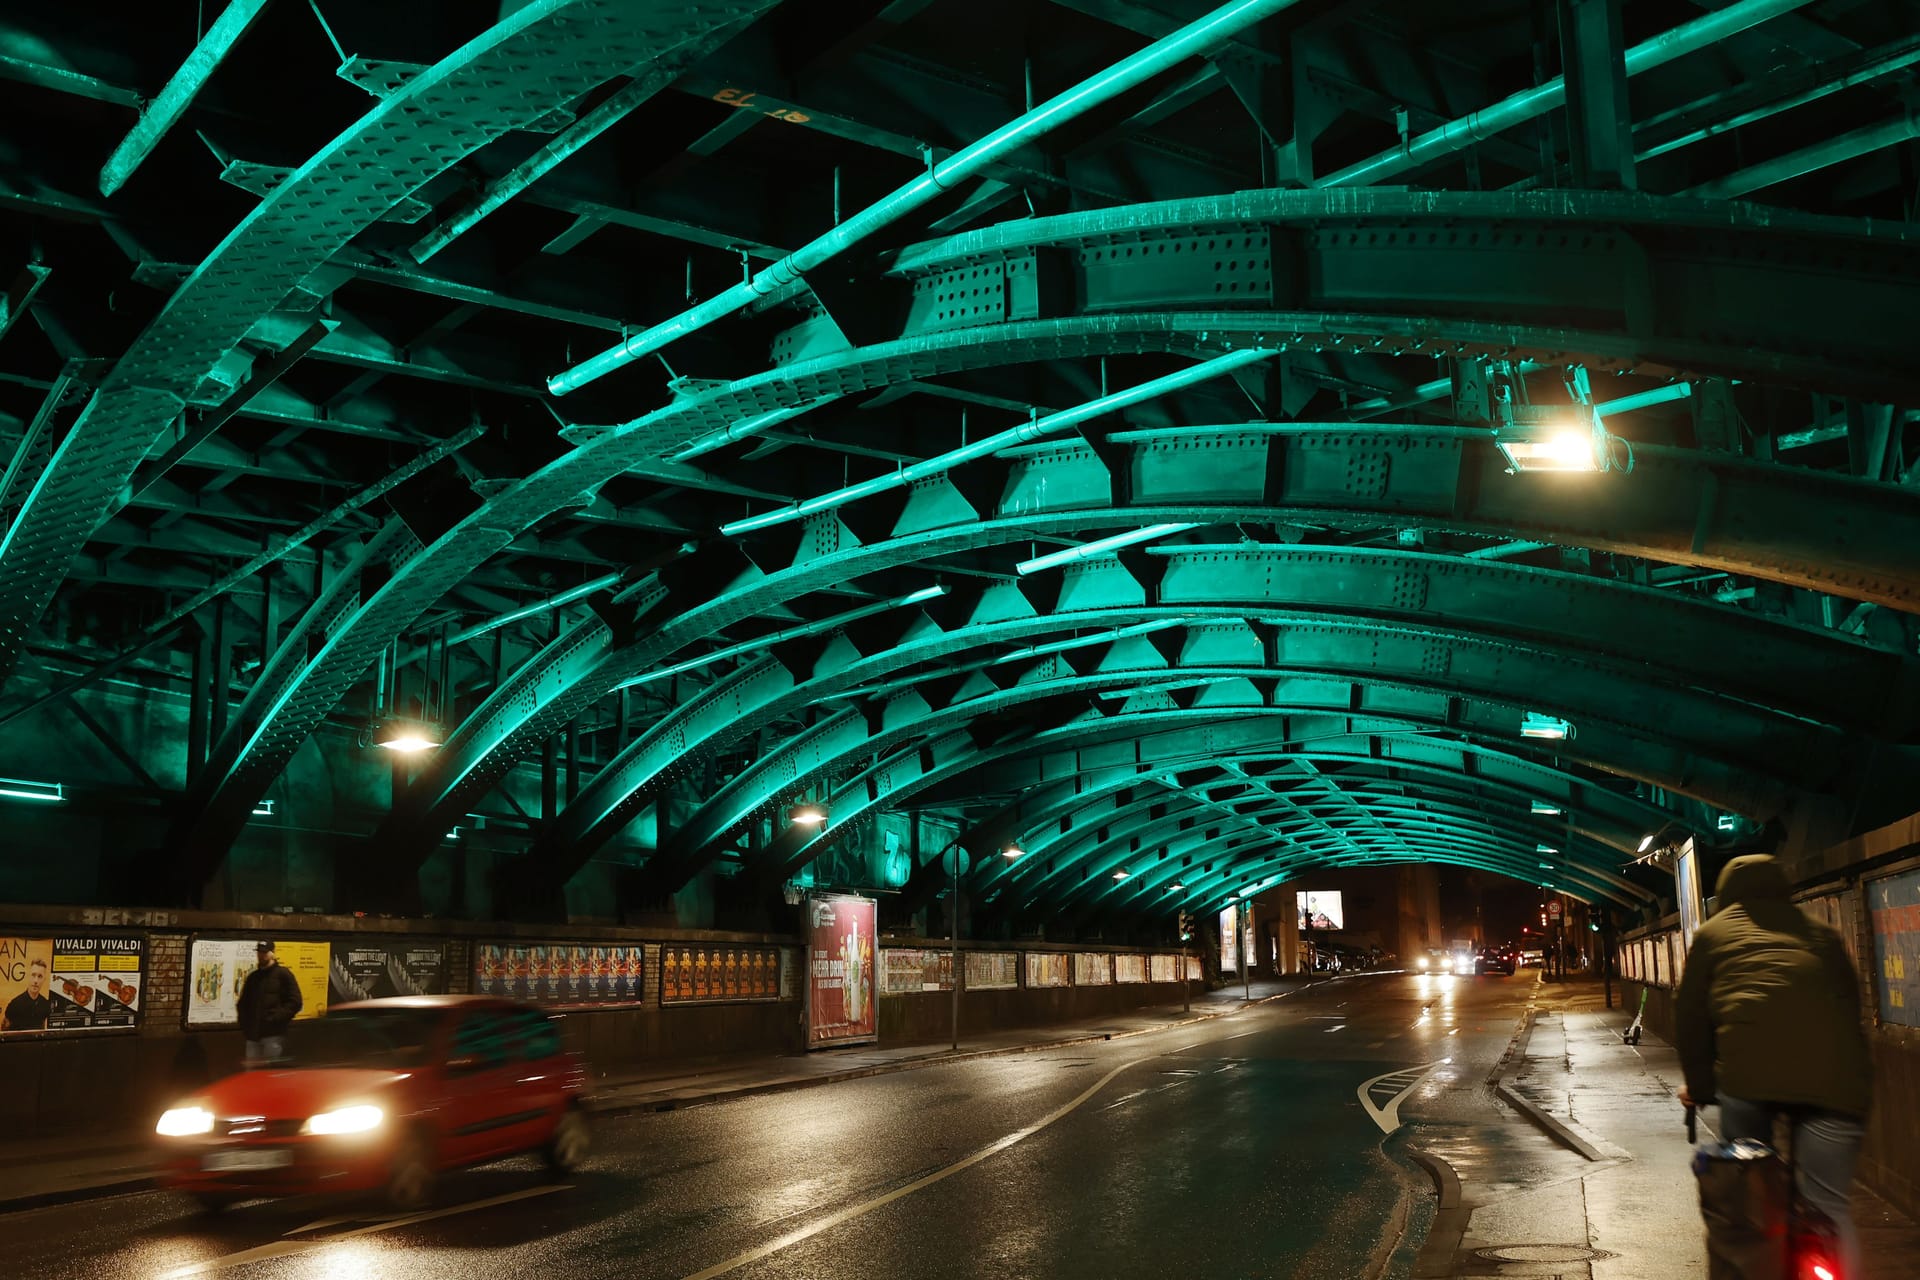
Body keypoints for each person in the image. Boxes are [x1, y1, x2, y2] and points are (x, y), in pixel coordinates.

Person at [1675, 854, 1872, 1278]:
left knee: (1750, 1199)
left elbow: (1691, 1018)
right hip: (1836, 1085)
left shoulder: (1711, 935)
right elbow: (1850, 1009)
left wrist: (1701, 1086)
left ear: (1725, 895)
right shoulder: (1822, 934)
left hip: (1749, 1081)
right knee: (1830, 1206)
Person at [235, 941, 303, 1064]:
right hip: (253, 1035)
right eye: (259, 952)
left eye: (264, 952)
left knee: (272, 1072)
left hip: (274, 1035)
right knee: (252, 1075)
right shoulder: (253, 977)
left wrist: (276, 1018)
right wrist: (245, 1025)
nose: (261, 955)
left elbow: (295, 1002)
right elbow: (243, 1003)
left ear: (273, 953)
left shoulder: (283, 974)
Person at [2, 956, 51, 1032]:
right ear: (29, 976)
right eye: (33, 975)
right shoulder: (15, 1004)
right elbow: (4, 1033)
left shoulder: (45, 1005)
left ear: (44, 979)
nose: (36, 980)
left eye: (40, 976)